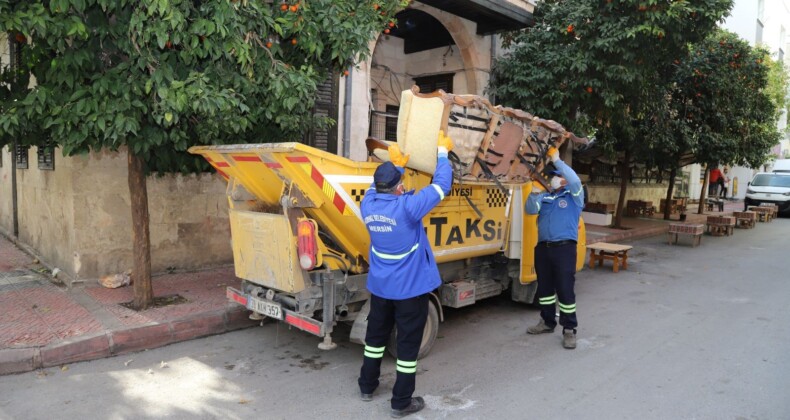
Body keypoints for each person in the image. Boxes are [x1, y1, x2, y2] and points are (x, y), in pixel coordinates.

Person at [358, 130, 454, 418]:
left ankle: (367, 385)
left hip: (381, 287)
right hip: (409, 290)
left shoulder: (368, 204)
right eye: (401, 182)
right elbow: (442, 185)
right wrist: (441, 154)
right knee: (408, 346)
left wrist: (397, 167)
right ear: (399, 188)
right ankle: (401, 402)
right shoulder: (408, 209)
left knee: (375, 338)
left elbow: (378, 188)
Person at [525, 146, 584, 349]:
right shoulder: (546, 197)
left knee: (565, 290)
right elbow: (530, 209)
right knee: (545, 289)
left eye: (556, 176)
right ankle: (547, 322)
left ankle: (569, 329)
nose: (553, 179)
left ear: (564, 178)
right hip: (543, 249)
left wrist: (558, 161)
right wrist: (534, 193)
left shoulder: (574, 197)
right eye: (551, 176)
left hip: (564, 249)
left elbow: (575, 181)